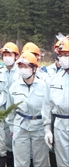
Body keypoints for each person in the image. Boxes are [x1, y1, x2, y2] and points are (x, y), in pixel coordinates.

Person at [6, 52, 50, 167]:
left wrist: (48, 129)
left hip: (39, 127)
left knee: (41, 162)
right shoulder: (14, 88)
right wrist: (12, 128)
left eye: (26, 67)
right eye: (20, 66)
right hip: (20, 128)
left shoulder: (44, 86)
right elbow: (10, 110)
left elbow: (48, 109)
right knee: (21, 162)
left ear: (34, 68)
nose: (22, 70)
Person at [42, 38, 69, 167]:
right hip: (60, 127)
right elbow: (47, 106)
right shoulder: (53, 80)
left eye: (67, 55)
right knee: (62, 163)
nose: (64, 58)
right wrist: (47, 129)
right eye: (61, 55)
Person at [0, 42, 20, 167]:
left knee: (18, 143)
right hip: (2, 111)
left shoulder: (21, 72)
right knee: (6, 143)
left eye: (9, 54)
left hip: (17, 114)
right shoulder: (0, 72)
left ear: (16, 56)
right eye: (5, 54)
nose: (7, 57)